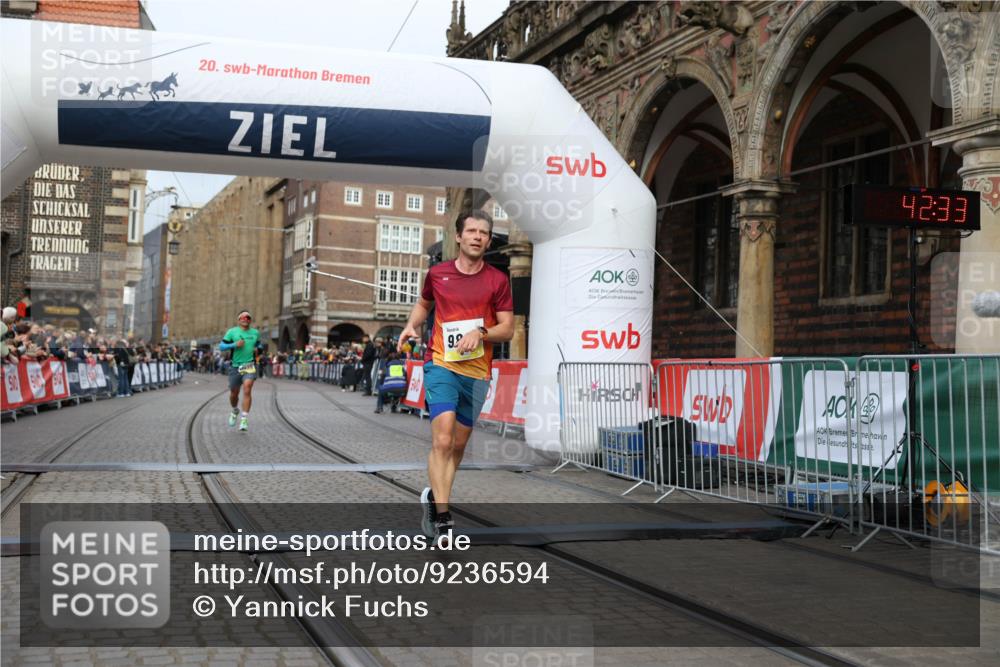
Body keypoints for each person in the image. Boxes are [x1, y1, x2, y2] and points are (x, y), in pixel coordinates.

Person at [398, 209, 513, 538]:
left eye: (484, 233)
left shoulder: (498, 281)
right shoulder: (438, 274)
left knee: (458, 446)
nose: (478, 236)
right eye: (472, 231)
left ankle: (434, 497)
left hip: (477, 372)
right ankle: (444, 518)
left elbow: (507, 329)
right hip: (441, 365)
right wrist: (411, 324)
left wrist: (482, 332)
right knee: (443, 439)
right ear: (459, 237)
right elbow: (424, 303)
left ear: (489, 241)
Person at [220, 310, 260, 431]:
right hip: (235, 366)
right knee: (234, 393)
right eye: (242, 317)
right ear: (238, 320)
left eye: (248, 317)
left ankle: (244, 419)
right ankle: (235, 410)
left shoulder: (255, 333)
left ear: (250, 320)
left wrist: (258, 350)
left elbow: (259, 345)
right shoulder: (232, 332)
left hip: (249, 365)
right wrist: (234, 345)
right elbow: (221, 346)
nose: (245, 319)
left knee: (247, 388)